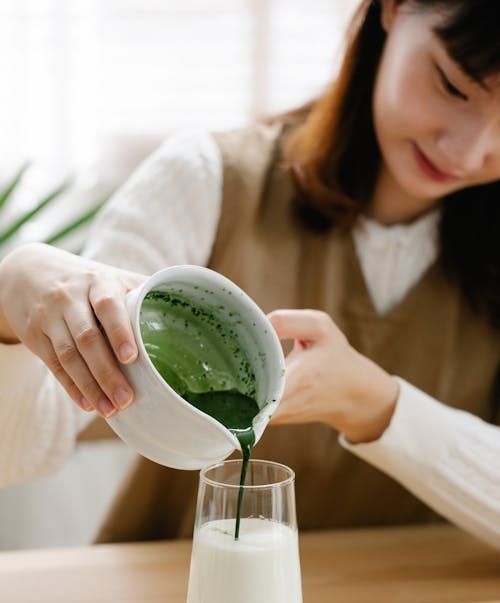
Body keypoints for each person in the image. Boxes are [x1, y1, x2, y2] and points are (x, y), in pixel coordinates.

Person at [0, 0, 499, 546]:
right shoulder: (209, 181)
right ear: (394, 9)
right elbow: (20, 453)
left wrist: (377, 405)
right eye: (454, 87)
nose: (469, 149)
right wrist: (9, 312)